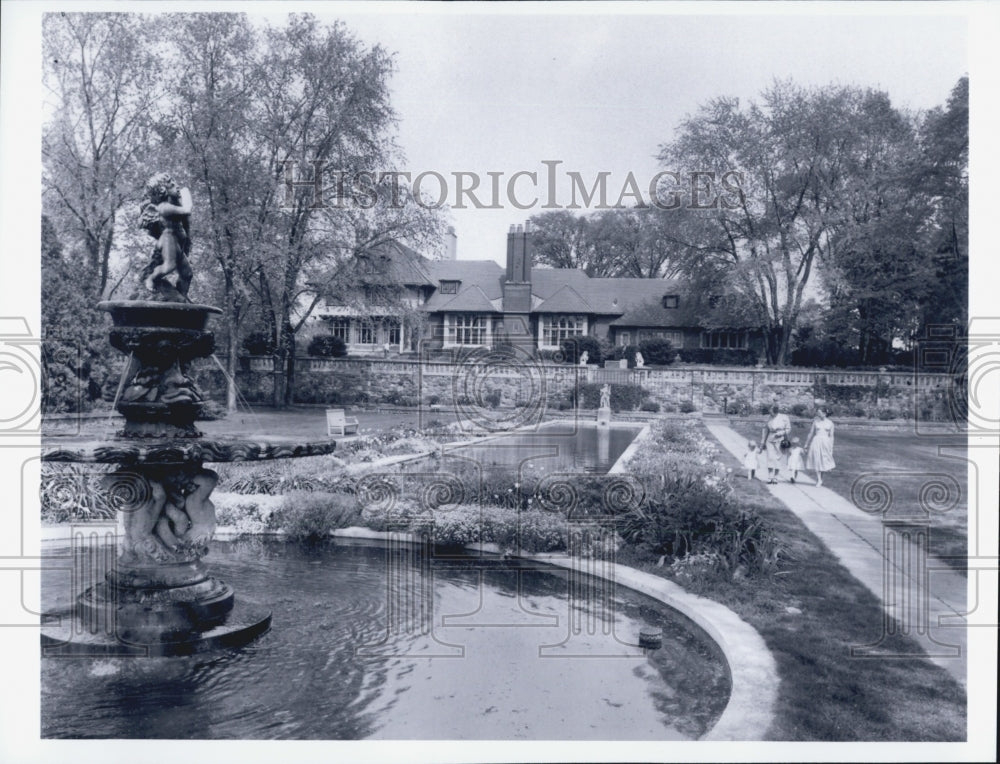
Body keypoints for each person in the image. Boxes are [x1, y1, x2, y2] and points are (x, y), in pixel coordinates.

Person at [141, 173, 193, 297]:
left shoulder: (173, 202)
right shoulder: (164, 208)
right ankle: (151, 278)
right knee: (170, 266)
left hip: (178, 242)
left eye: (175, 182)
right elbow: (187, 210)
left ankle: (182, 298)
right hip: (169, 240)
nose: (177, 186)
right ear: (164, 190)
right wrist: (186, 192)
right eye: (172, 184)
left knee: (187, 274)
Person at [759, 404, 791, 484]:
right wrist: (762, 442)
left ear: (776, 411)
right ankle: (770, 477)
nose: (770, 414)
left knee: (778, 458)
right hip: (770, 439)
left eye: (771, 412)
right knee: (770, 457)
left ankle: (776, 477)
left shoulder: (784, 417)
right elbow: (765, 430)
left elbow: (788, 429)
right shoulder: (769, 418)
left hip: (780, 439)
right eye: (769, 412)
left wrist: (781, 433)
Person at [805, 407, 836, 486]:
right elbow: (811, 433)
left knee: (824, 461)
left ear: (824, 413)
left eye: (820, 413)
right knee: (817, 460)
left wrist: (831, 447)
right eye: (817, 413)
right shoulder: (815, 422)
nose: (818, 414)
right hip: (816, 442)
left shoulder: (830, 423)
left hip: (826, 442)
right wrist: (806, 444)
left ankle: (820, 479)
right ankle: (819, 479)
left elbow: (831, 436)